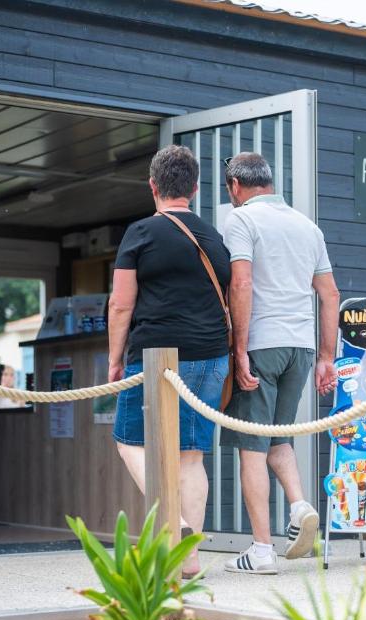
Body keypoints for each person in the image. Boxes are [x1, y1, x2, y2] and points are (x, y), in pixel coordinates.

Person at [108, 144, 232, 578]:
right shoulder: (213, 237)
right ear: (195, 189)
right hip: (213, 356)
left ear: (152, 186)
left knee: (129, 441)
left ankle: (175, 526)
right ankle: (191, 559)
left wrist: (113, 360)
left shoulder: (141, 233)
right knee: (191, 457)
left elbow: (121, 306)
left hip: (157, 356)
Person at [220, 152, 340, 575]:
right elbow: (330, 295)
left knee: (251, 449)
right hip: (301, 348)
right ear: (269, 182)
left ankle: (262, 551)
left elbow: (242, 281)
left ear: (235, 185)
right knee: (279, 438)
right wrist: (327, 356)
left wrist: (239, 349)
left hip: (262, 344)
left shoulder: (240, 221)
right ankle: (300, 506)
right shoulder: (308, 227)